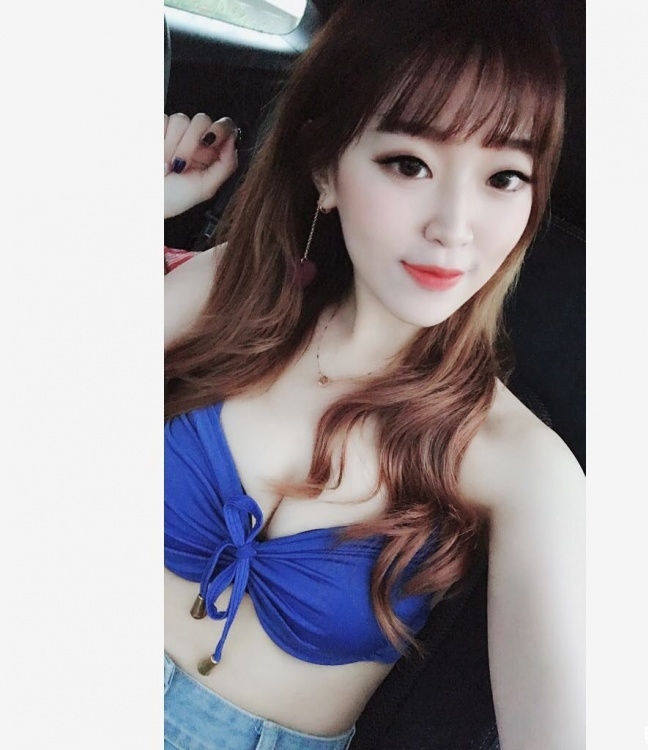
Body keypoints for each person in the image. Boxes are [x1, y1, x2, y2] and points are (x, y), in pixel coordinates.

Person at [164, 1, 585, 749]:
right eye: (409, 164)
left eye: (504, 177)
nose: (454, 226)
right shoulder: (229, 288)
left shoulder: (520, 464)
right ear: (325, 167)